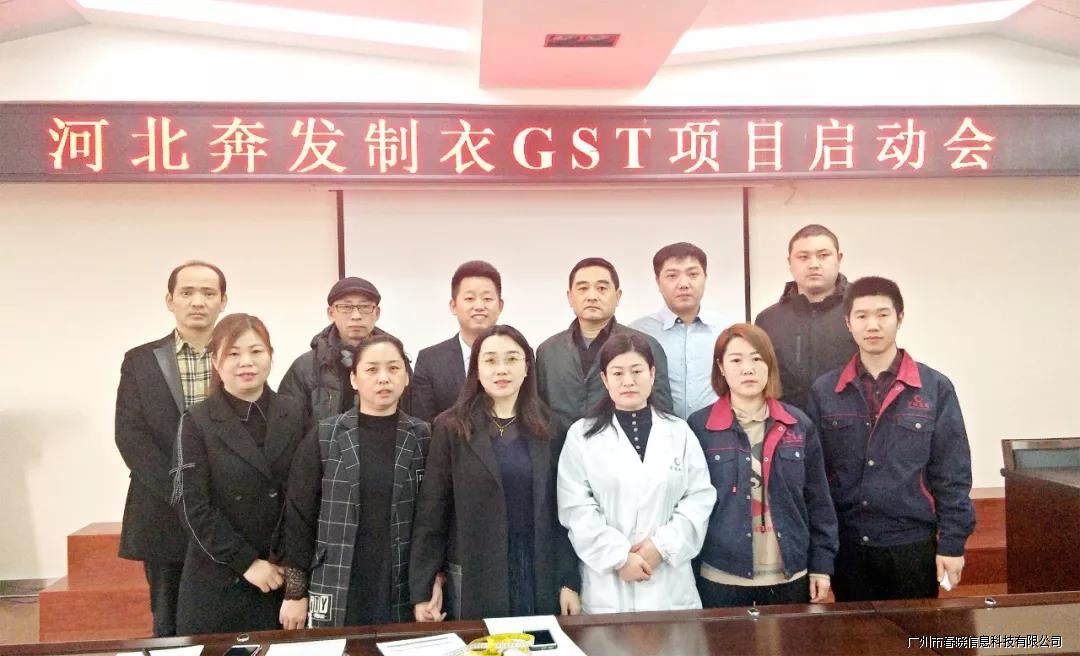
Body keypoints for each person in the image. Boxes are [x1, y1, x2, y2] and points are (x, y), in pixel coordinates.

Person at [807, 276, 974, 601]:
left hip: (912, 544)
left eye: (882, 314)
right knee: (854, 632)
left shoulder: (935, 388)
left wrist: (953, 543)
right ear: (848, 323)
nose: (873, 325)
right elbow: (814, 481)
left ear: (900, 318)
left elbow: (953, 473)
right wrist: (821, 553)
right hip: (848, 546)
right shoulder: (824, 391)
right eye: (862, 316)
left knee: (918, 631)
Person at [410, 325, 582, 620]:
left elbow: (562, 513)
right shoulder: (451, 428)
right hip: (475, 568)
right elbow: (432, 511)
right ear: (476, 370)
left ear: (527, 368)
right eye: (490, 360)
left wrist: (568, 580)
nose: (502, 369)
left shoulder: (551, 428)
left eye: (512, 359)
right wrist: (425, 587)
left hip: (536, 567)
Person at [279, 333, 434, 629]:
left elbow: (434, 518)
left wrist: (430, 583)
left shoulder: (424, 436)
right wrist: (296, 592)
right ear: (354, 379)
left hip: (401, 581)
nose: (383, 378)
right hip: (336, 576)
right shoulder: (325, 435)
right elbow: (299, 516)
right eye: (371, 369)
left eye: (393, 368)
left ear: (406, 377)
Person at [557, 332, 715, 614]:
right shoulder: (581, 436)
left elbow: (699, 498)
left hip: (668, 582)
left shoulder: (679, 432)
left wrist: (661, 547)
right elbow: (575, 508)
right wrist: (619, 557)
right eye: (617, 373)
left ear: (652, 374)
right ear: (605, 379)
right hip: (607, 585)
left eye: (637, 371)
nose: (628, 381)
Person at [170, 314, 306, 635]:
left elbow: (306, 498)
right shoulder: (196, 421)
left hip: (283, 577)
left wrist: (295, 579)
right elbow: (192, 506)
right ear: (216, 362)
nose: (246, 362)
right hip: (221, 576)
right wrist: (246, 562)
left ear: (270, 356)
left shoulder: (296, 412)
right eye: (233, 353)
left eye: (256, 351)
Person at [687, 323, 837, 607]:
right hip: (721, 576)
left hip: (789, 574)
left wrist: (821, 565)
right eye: (736, 360)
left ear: (769, 365)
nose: (748, 369)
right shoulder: (700, 427)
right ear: (721, 367)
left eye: (757, 359)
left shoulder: (798, 424)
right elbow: (689, 505)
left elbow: (819, 502)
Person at [115, 260, 227, 637]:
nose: (198, 301)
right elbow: (131, 436)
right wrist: (181, 492)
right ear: (170, 300)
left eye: (208, 293)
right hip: (163, 511)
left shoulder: (238, 357)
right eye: (187, 292)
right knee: (168, 619)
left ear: (223, 301)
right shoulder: (140, 361)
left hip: (226, 510)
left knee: (226, 617)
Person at [537, 257, 673, 440]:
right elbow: (539, 411)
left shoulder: (645, 345)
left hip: (625, 449)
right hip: (560, 451)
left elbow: (663, 411)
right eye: (583, 288)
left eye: (602, 288)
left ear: (618, 296)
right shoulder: (548, 351)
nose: (592, 296)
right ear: (570, 297)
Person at [279, 277, 407, 428]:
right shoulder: (305, 367)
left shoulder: (396, 362)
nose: (356, 316)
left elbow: (411, 419)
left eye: (365, 307)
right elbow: (288, 428)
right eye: (346, 307)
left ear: (377, 313)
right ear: (331, 313)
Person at [755, 225, 856, 411]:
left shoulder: (860, 312)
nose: (813, 264)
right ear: (790, 263)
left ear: (839, 259)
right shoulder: (768, 320)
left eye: (823, 255)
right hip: (788, 424)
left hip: (850, 423)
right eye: (803, 257)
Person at [632, 242, 724, 419]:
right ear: (658, 282)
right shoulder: (638, 332)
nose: (684, 284)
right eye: (672, 276)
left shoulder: (727, 329)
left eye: (693, 274)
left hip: (717, 430)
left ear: (705, 277)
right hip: (658, 430)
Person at [411, 260, 504, 423]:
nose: (479, 306)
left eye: (487, 298)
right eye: (470, 298)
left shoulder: (519, 355)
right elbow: (423, 425)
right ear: (453, 306)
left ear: (500, 306)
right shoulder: (430, 360)